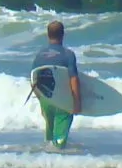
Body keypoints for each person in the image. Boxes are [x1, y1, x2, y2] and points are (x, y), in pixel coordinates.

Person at [28, 20, 82, 148]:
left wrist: (41, 99)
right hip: (63, 100)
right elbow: (73, 79)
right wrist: (77, 101)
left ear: (48, 35)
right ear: (63, 34)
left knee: (49, 137)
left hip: (47, 98)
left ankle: (48, 162)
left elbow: (33, 79)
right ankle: (59, 161)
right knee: (59, 142)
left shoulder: (39, 55)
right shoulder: (68, 54)